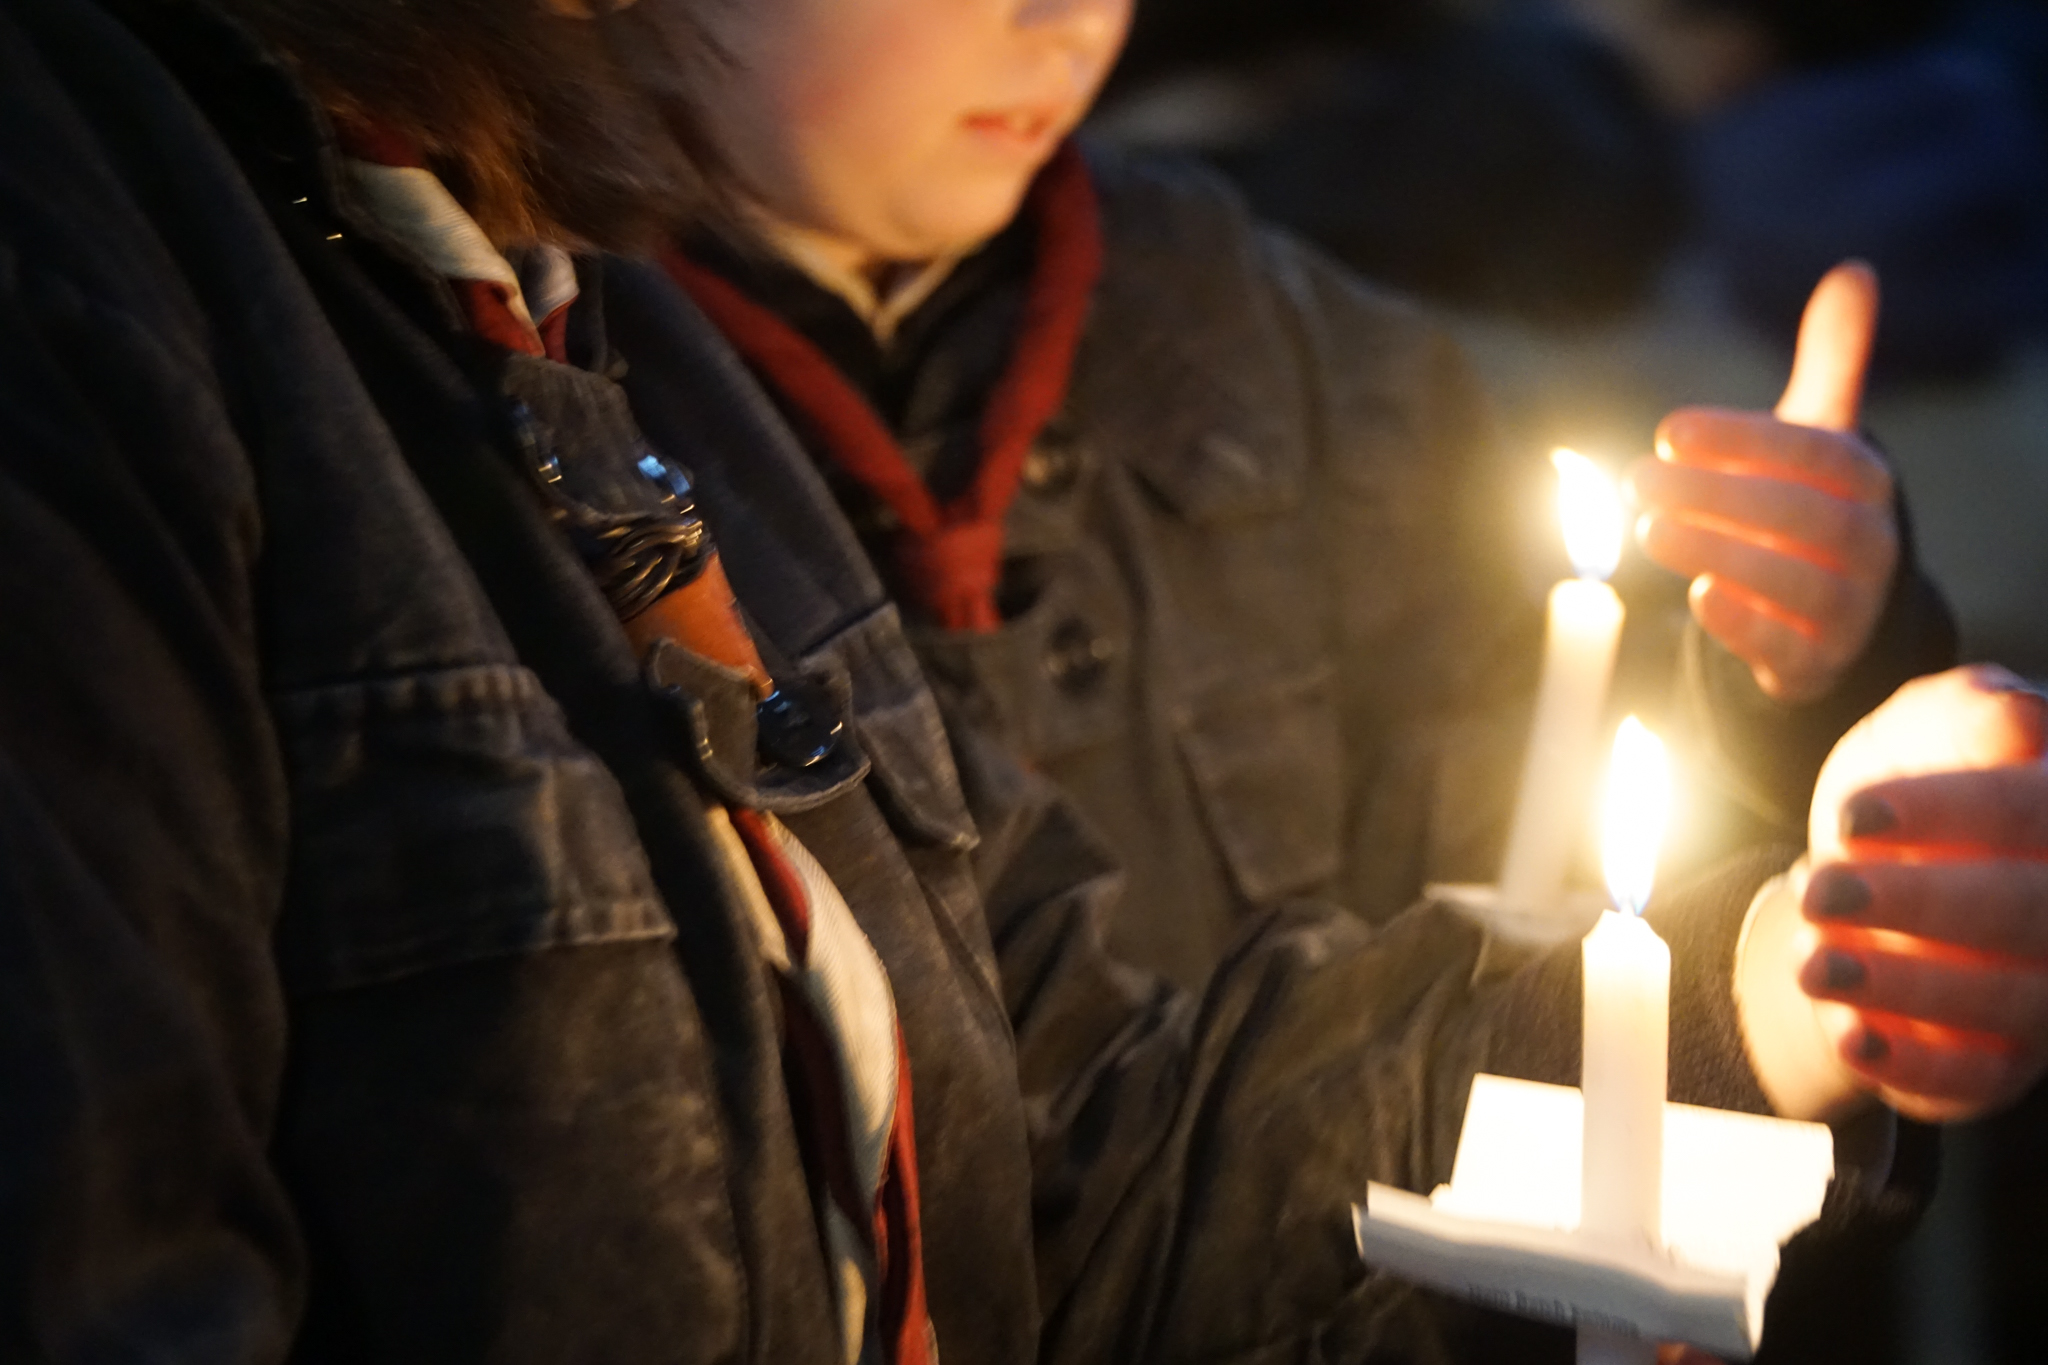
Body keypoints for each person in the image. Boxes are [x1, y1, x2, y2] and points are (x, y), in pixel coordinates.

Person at [0, 2, 2041, 1365]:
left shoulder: (596, 355)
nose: (1063, 19)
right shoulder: (113, 276)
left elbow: (1075, 1151)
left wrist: (1778, 966)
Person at [662, 0, 1952, 987]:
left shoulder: (1288, 354)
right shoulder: (537, 404)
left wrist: (1791, 679)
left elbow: (1534, 804)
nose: (1065, 23)